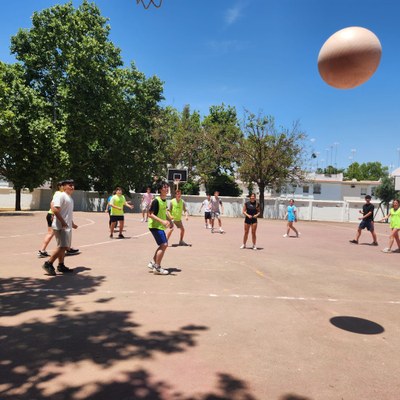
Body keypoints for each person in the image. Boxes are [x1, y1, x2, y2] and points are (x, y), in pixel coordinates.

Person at [41, 179, 78, 276]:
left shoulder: (70, 198)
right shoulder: (61, 196)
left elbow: (67, 213)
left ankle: (61, 265)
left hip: (66, 226)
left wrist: (72, 223)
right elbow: (55, 210)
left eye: (73, 185)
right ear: (64, 186)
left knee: (62, 246)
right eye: (70, 185)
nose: (72, 187)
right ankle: (48, 263)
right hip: (60, 226)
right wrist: (63, 222)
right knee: (63, 246)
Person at [147, 181, 172, 275]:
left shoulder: (164, 200)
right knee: (164, 244)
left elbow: (163, 213)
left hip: (159, 226)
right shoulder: (156, 201)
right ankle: (157, 267)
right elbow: (149, 214)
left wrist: (170, 222)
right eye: (165, 187)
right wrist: (162, 221)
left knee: (162, 245)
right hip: (155, 226)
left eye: (167, 187)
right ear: (161, 190)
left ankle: (153, 263)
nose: (167, 188)